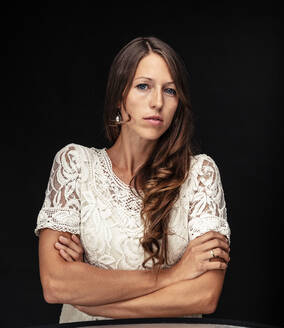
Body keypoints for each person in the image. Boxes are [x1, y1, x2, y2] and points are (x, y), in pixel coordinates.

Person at [34, 36, 231, 324]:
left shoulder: (200, 174)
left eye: (170, 90)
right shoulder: (75, 164)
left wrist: (93, 296)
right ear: (118, 96)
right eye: (143, 86)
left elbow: (204, 295)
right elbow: (56, 284)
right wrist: (174, 275)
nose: (157, 102)